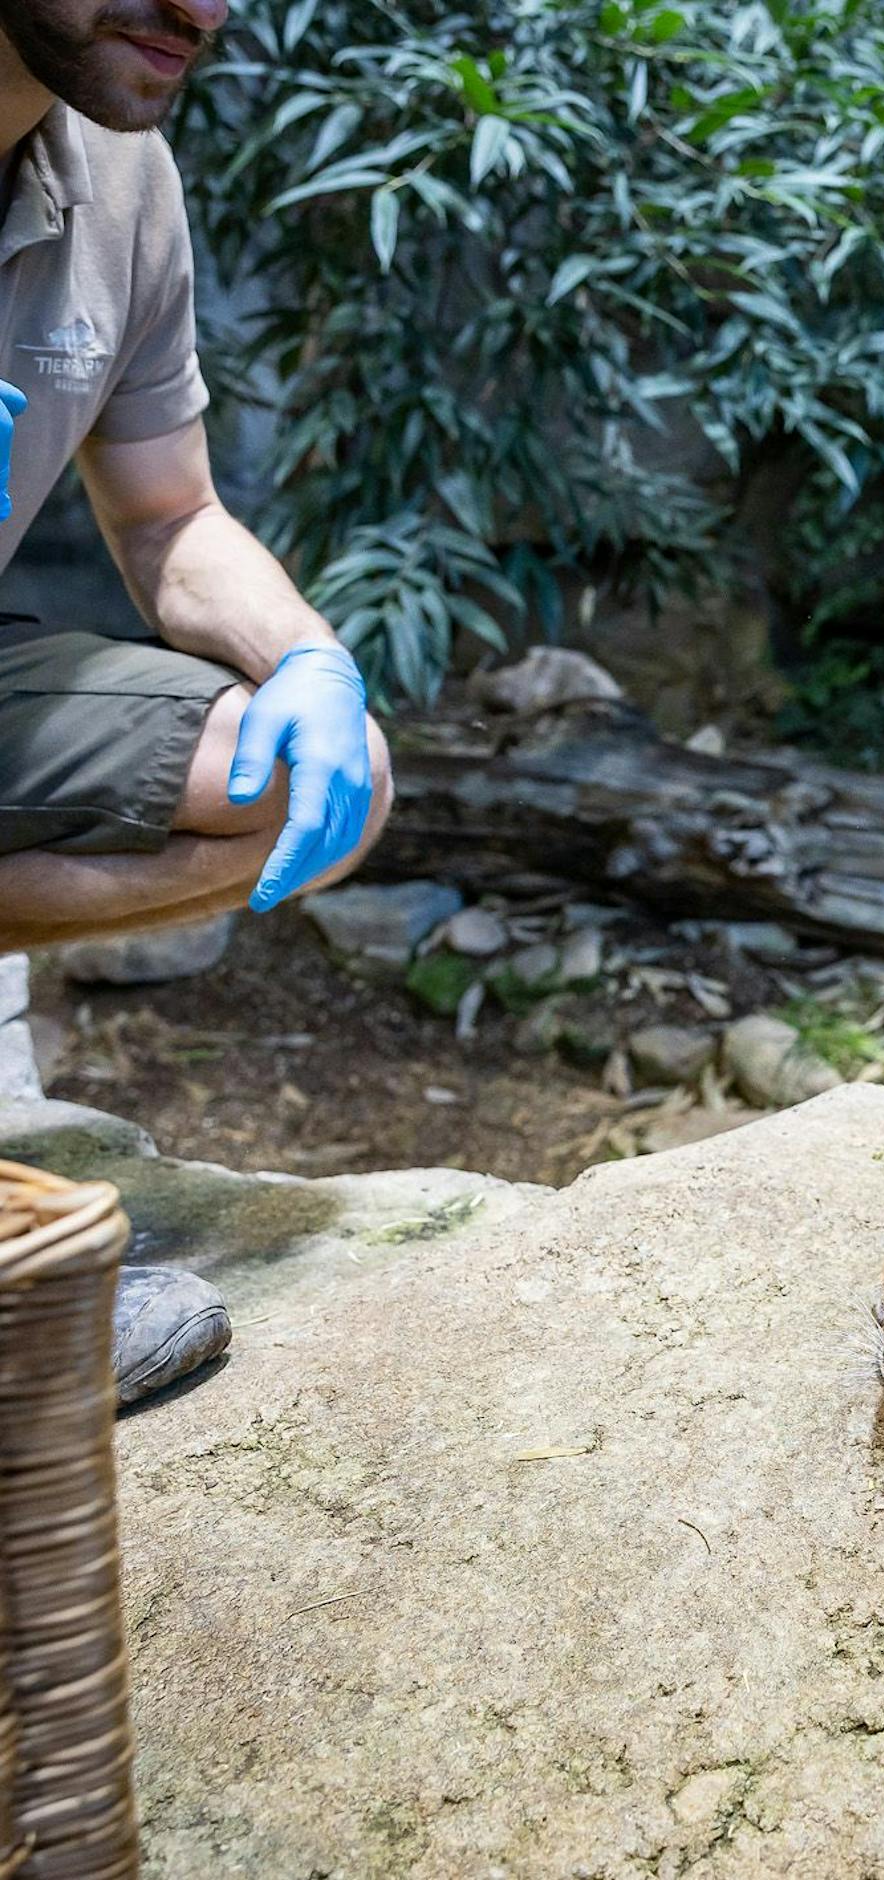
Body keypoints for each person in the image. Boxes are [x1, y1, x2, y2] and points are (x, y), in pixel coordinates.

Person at [0, 0, 393, 1404]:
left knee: (301, 783)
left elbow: (168, 515)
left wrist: (313, 666)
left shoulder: (120, 172)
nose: (204, 8)